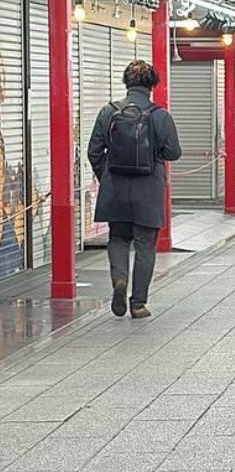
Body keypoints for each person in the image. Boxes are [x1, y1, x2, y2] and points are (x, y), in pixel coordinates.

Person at [87, 60, 181, 319]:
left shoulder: (108, 112)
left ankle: (119, 279)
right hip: (148, 191)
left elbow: (93, 151)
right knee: (145, 246)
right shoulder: (160, 115)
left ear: (126, 82)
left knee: (117, 238)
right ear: (152, 85)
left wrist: (106, 175)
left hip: (115, 188)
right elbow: (174, 152)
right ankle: (138, 304)